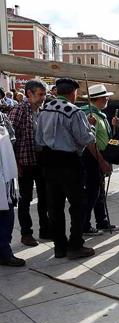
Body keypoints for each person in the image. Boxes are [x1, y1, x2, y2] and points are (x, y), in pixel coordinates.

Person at [36, 78, 110, 259]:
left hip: (48, 161)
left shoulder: (45, 109)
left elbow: (38, 138)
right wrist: (101, 159)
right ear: (72, 93)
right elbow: (86, 139)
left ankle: (59, 246)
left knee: (55, 207)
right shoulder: (73, 111)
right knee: (78, 205)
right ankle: (75, 245)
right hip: (69, 162)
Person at [8, 80, 50, 247]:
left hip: (41, 160)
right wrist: (15, 162)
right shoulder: (19, 110)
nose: (43, 98)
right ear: (29, 94)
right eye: (40, 94)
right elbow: (10, 138)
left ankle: (45, 229)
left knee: (44, 197)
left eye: (44, 94)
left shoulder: (41, 110)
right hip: (24, 162)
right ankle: (26, 233)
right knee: (25, 199)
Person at [79, 84, 119, 236]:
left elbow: (107, 138)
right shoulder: (90, 115)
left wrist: (116, 127)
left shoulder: (99, 114)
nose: (107, 99)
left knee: (99, 192)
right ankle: (85, 225)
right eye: (105, 97)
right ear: (98, 99)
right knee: (92, 193)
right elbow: (90, 141)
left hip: (100, 155)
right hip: (92, 157)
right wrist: (102, 161)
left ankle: (101, 221)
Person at [0, 115, 24, 266]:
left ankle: (4, 251)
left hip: (4, 175)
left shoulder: (2, 118)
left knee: (6, 215)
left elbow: (13, 139)